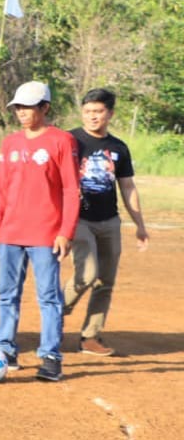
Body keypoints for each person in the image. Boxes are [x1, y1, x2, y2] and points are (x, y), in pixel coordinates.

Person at [0, 81, 80, 382]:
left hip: (45, 234)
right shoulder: (10, 143)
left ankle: (51, 356)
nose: (22, 113)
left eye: (28, 107)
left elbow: (70, 188)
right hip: (11, 232)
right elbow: (1, 189)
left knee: (49, 297)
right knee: (6, 295)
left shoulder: (62, 141)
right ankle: (5, 349)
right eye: (18, 107)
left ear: (45, 108)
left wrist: (65, 231)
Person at [62, 88, 149, 356]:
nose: (92, 117)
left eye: (98, 111)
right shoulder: (70, 140)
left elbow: (127, 187)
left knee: (105, 281)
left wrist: (140, 224)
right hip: (79, 219)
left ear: (110, 114)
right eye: (87, 111)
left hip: (109, 220)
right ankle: (53, 315)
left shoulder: (118, 148)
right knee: (86, 273)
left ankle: (90, 336)